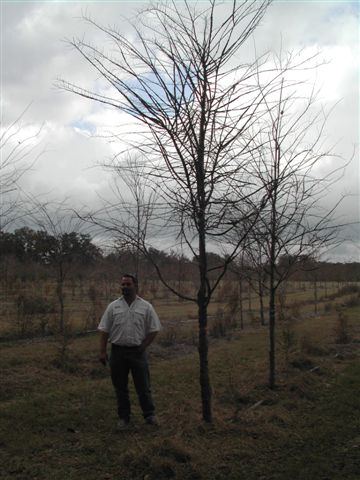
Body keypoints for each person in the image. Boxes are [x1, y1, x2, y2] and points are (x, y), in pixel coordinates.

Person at [98, 274, 161, 430]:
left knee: (143, 386)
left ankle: (149, 415)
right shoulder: (113, 307)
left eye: (128, 284)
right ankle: (124, 418)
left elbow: (154, 329)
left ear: (135, 285)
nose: (125, 287)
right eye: (123, 284)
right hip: (117, 352)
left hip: (137, 353)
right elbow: (104, 330)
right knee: (120, 387)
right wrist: (102, 351)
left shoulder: (146, 307)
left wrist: (143, 346)